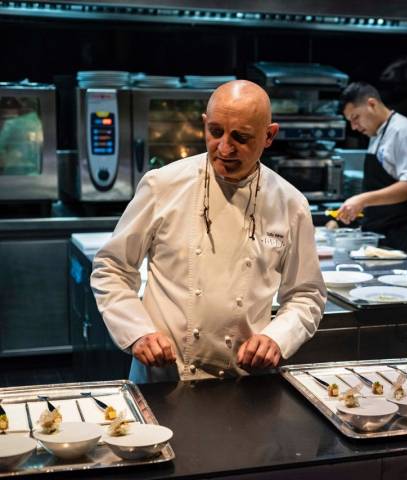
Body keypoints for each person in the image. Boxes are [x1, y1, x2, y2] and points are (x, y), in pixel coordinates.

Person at [91, 80, 327, 383]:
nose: (224, 148)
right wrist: (138, 332)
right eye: (215, 132)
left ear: (269, 136)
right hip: (164, 378)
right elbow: (111, 269)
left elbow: (306, 294)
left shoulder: (290, 204)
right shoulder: (162, 185)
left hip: (245, 382)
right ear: (204, 124)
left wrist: (277, 338)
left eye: (241, 137)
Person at [335, 82, 407, 257]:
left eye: (355, 117)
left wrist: (362, 199)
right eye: (350, 121)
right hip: (382, 232)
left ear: (372, 104)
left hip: (404, 233)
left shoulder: (404, 132)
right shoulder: (377, 134)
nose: (354, 127)